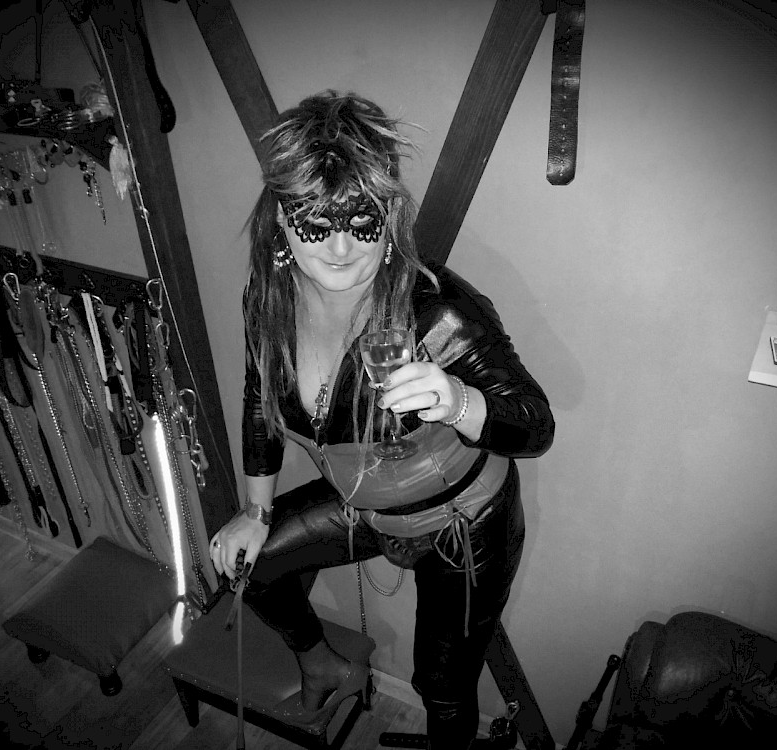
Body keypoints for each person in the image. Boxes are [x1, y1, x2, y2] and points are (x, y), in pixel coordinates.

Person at [209, 90, 555, 750]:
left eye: (362, 221)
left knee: (442, 686)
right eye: (316, 224)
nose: (341, 248)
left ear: (388, 216)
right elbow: (259, 403)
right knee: (250, 565)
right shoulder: (268, 301)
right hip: (364, 502)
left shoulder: (437, 309)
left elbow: (536, 425)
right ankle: (324, 665)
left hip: (464, 526)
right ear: (282, 220)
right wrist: (255, 511)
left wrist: (458, 401)